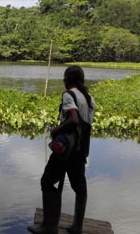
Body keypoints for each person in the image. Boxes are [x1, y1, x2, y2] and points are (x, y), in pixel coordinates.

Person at [28, 65, 96, 234]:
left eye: (64, 77)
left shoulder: (68, 95)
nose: (63, 80)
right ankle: (77, 228)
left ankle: (50, 226)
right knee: (80, 187)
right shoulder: (89, 98)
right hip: (81, 149)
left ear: (67, 79)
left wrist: (55, 130)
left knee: (47, 181)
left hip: (66, 149)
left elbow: (73, 120)